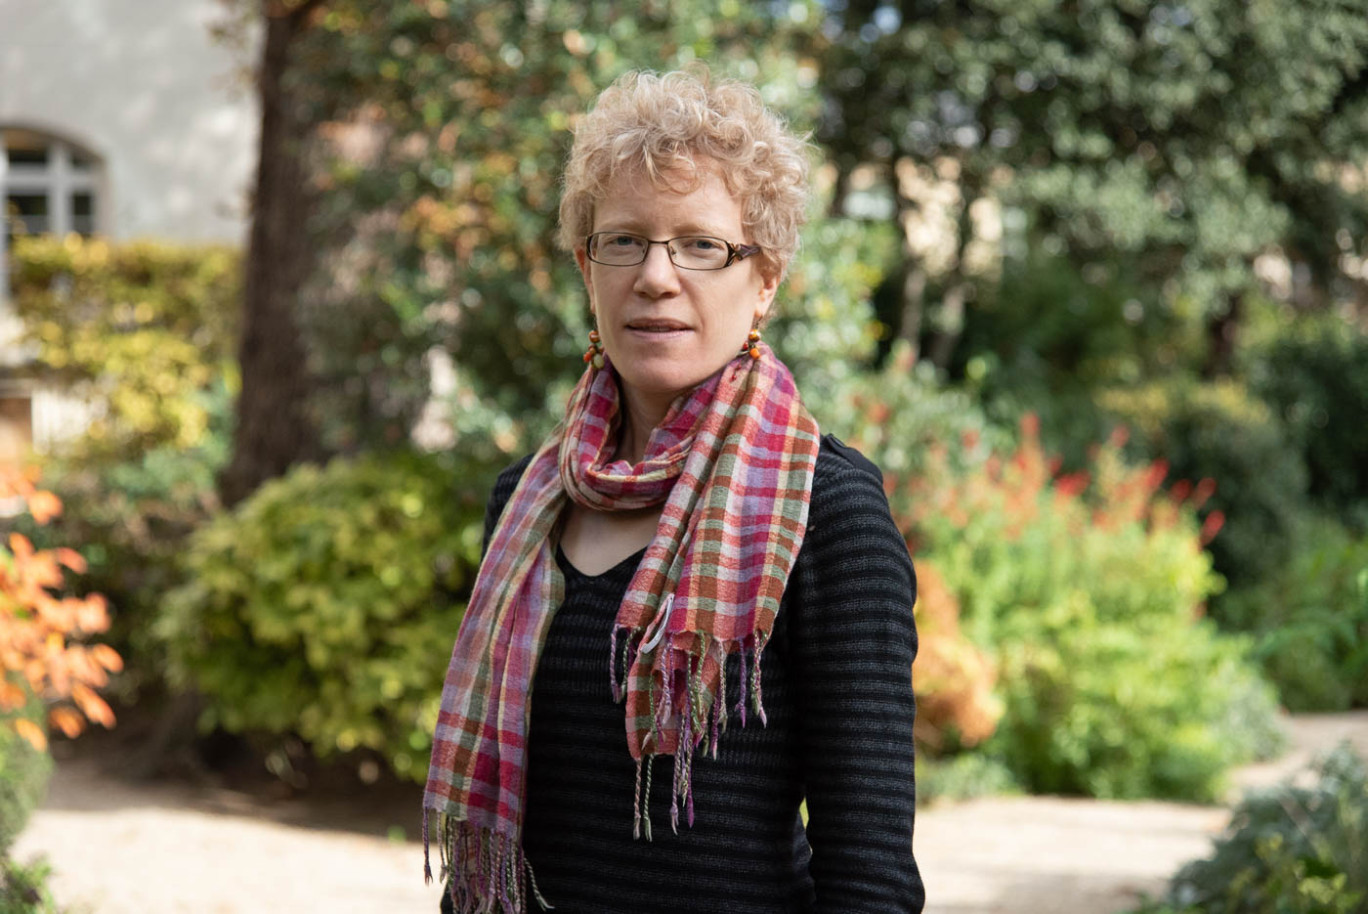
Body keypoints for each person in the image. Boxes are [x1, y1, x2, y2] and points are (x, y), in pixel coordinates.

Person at [424, 68, 923, 914]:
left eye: (701, 244)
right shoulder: (526, 501)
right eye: (623, 241)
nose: (656, 276)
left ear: (764, 278)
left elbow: (868, 876)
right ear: (588, 271)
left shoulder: (828, 515)